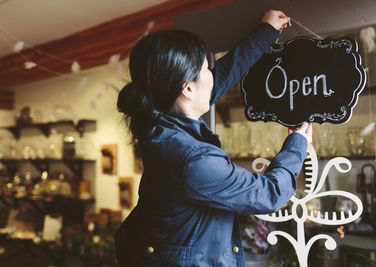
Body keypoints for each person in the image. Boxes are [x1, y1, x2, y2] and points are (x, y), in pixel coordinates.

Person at [115, 9, 312, 267]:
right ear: (187, 88)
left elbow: (219, 79)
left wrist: (266, 33)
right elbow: (269, 194)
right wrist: (298, 145)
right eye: (207, 67)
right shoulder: (193, 158)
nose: (212, 73)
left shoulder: (158, 121)